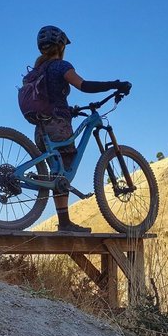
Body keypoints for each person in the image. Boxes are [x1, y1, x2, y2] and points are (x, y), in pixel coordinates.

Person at [30, 25, 131, 233]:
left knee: (58, 174)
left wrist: (69, 110)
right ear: (60, 46)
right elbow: (83, 85)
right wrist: (115, 84)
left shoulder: (38, 70)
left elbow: (49, 98)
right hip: (57, 125)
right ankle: (65, 223)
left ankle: (64, 223)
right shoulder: (60, 66)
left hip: (41, 129)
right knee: (64, 169)